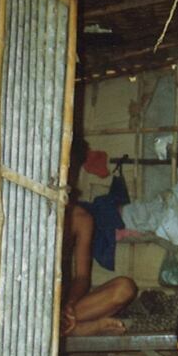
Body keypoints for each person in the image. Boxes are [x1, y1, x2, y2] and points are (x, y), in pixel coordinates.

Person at [61, 138, 137, 336]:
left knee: (125, 288)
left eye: (71, 168)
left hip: (64, 308)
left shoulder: (81, 219)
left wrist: (69, 304)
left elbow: (82, 277)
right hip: (27, 302)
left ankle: (65, 325)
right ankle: (79, 328)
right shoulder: (28, 208)